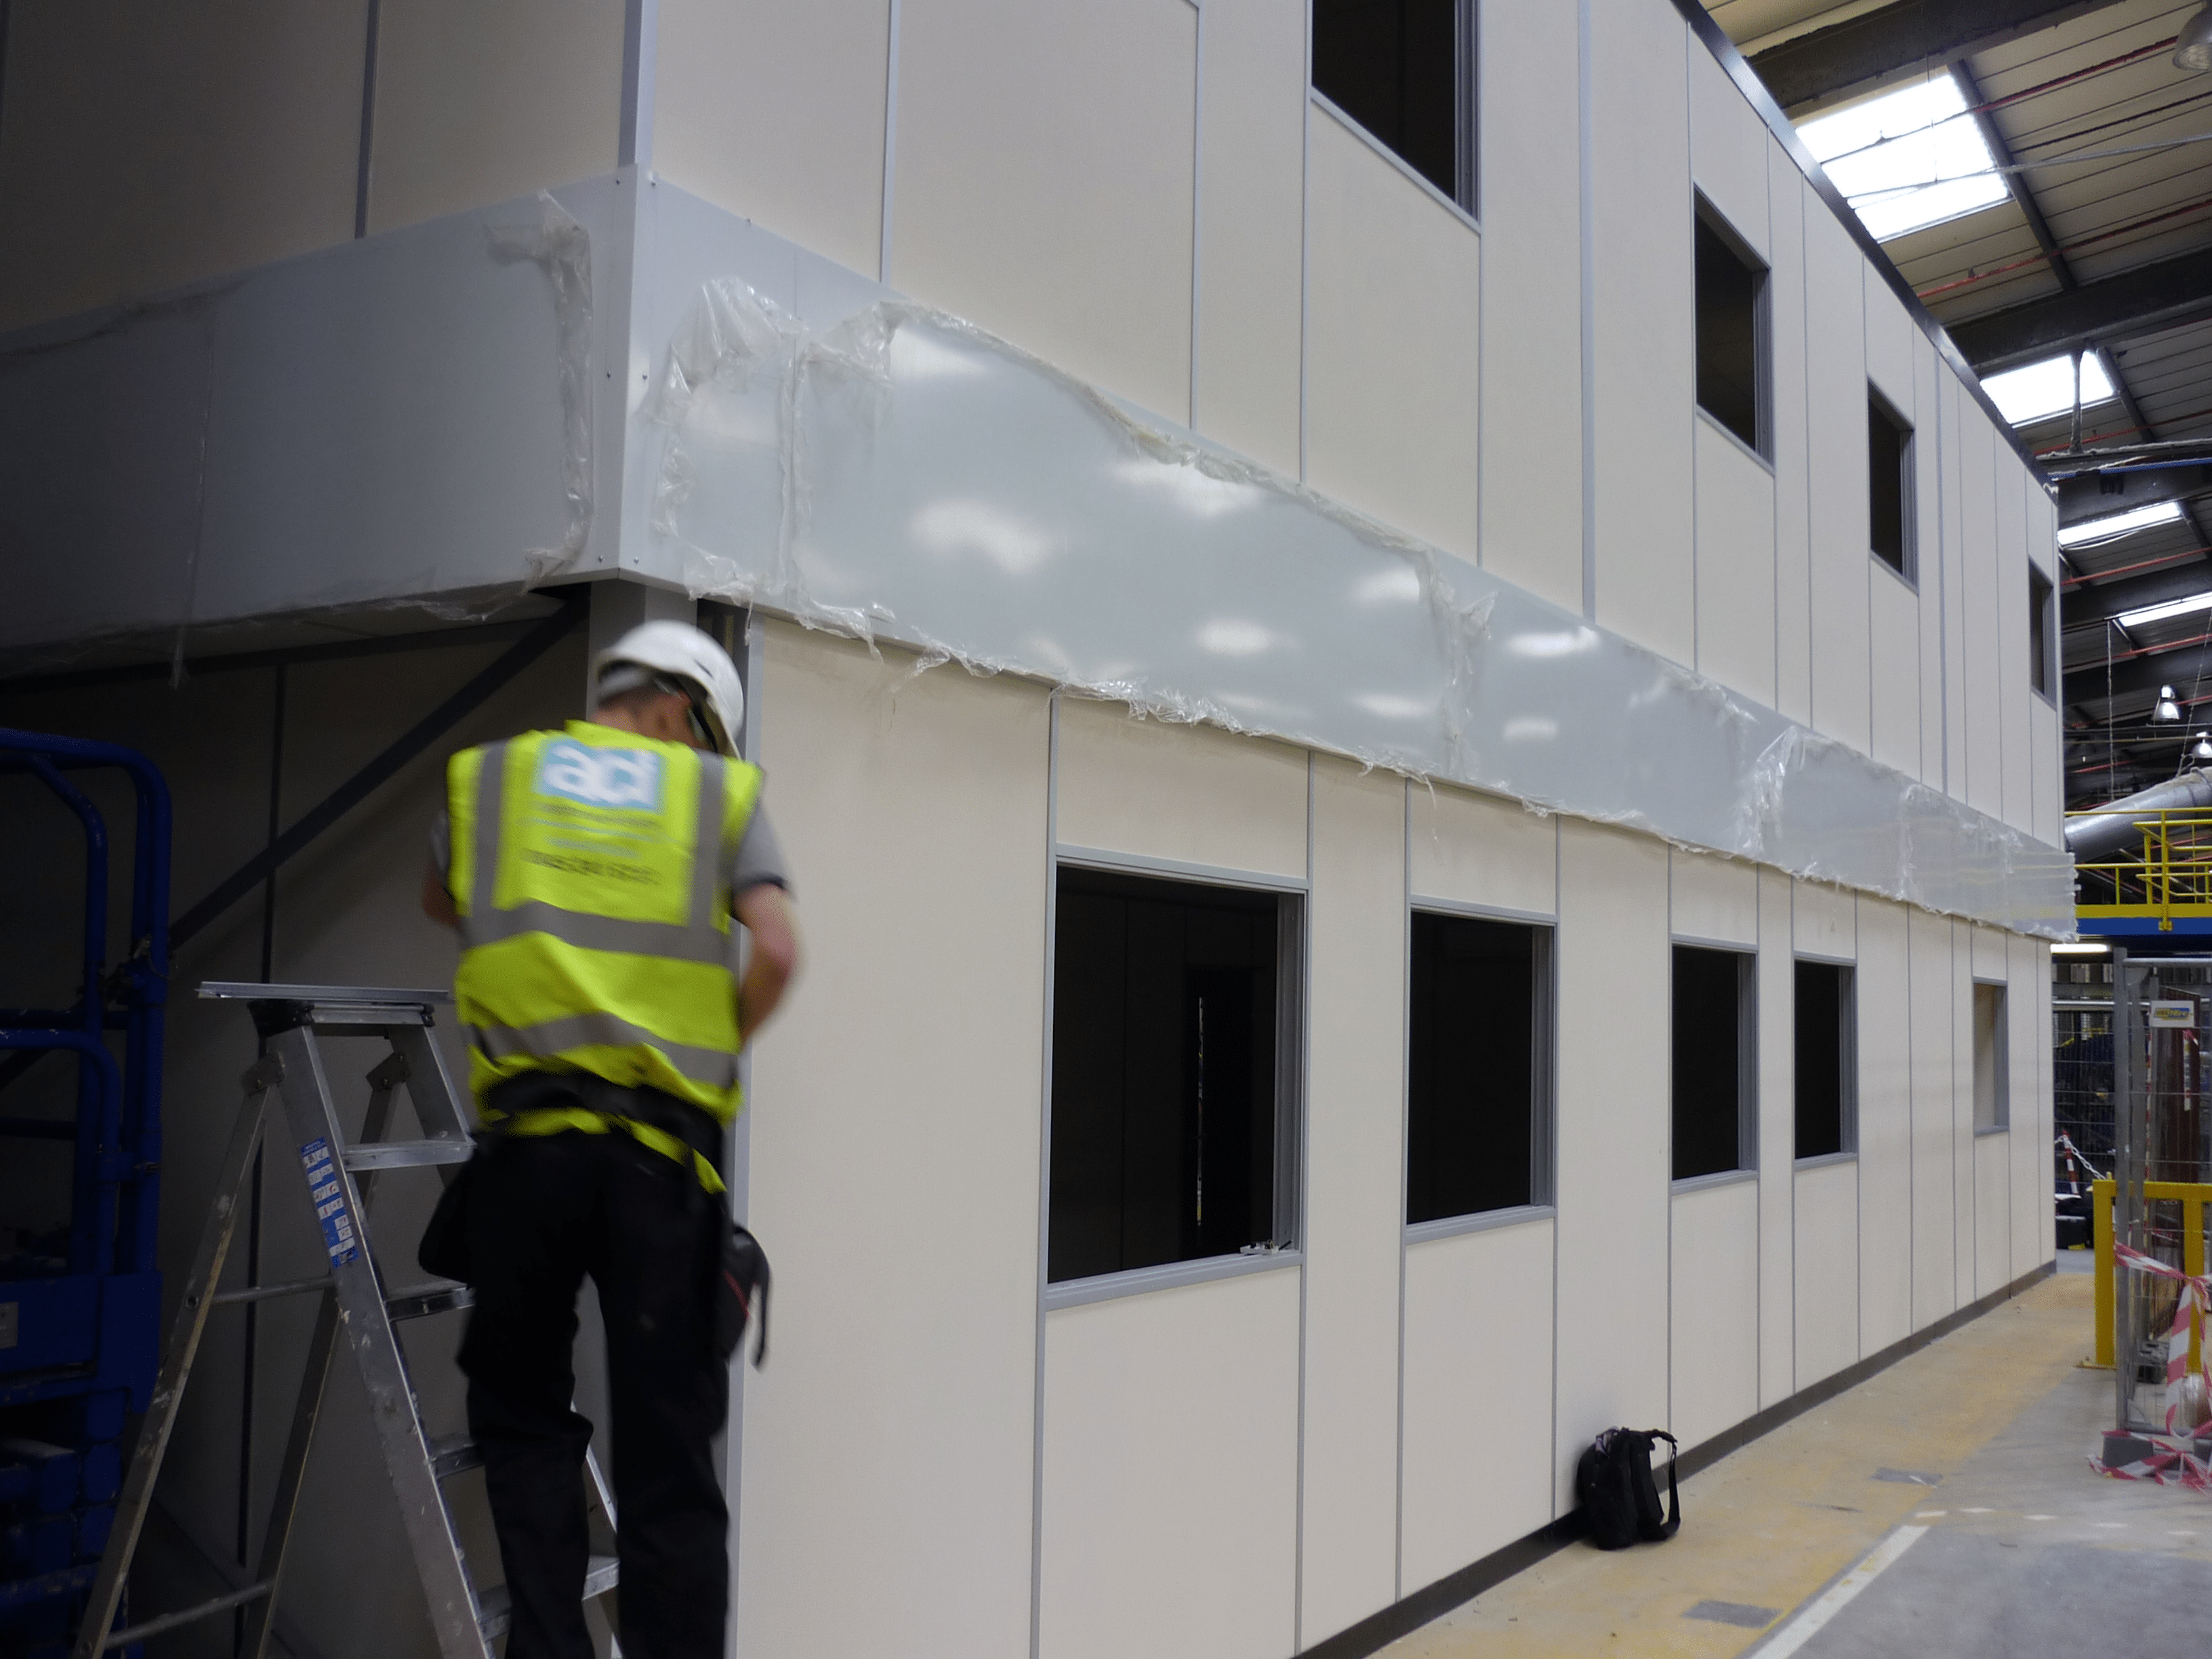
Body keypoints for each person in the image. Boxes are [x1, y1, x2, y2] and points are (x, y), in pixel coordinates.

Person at [419, 619, 798, 1659]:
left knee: (527, 1422)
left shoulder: (489, 780)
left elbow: (441, 896)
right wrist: (709, 1053)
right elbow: (776, 946)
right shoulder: (716, 796)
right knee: (670, 1460)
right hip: (656, 1166)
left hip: (524, 1162)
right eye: (701, 737)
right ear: (681, 710)